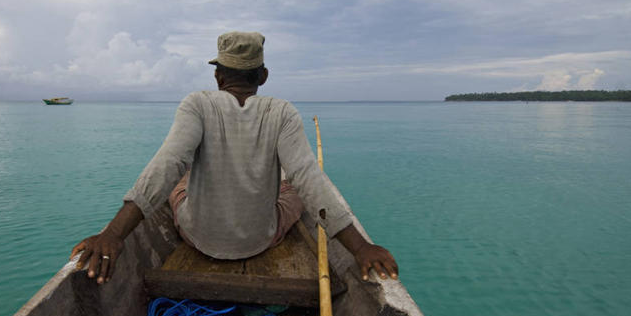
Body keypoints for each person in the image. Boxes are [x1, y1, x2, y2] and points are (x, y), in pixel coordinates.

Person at [71, 31, 398, 284]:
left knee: (178, 182)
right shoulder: (282, 112)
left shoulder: (196, 104)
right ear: (263, 76)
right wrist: (360, 248)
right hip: (259, 240)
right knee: (296, 188)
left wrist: (113, 234)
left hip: (197, 236)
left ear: (218, 76)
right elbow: (308, 177)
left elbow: (167, 164)